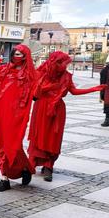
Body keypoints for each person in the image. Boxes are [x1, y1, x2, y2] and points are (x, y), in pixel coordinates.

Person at [28, 52, 103, 181]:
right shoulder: (41, 73)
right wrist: (48, 87)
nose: (66, 66)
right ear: (56, 63)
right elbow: (35, 93)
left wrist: (94, 89)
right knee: (39, 135)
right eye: (64, 63)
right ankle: (31, 164)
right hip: (41, 107)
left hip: (57, 109)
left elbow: (73, 91)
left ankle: (48, 166)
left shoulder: (66, 76)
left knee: (53, 138)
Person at [0, 45, 37, 192]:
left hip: (17, 116)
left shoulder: (31, 75)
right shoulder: (3, 70)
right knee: (1, 145)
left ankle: (24, 168)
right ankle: (4, 178)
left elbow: (36, 95)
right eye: (15, 54)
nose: (18, 57)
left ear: (26, 57)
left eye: (21, 54)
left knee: (14, 146)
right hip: (0, 113)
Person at [100, 58, 109, 127]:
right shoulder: (105, 70)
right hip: (107, 90)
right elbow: (102, 82)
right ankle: (107, 119)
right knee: (107, 105)